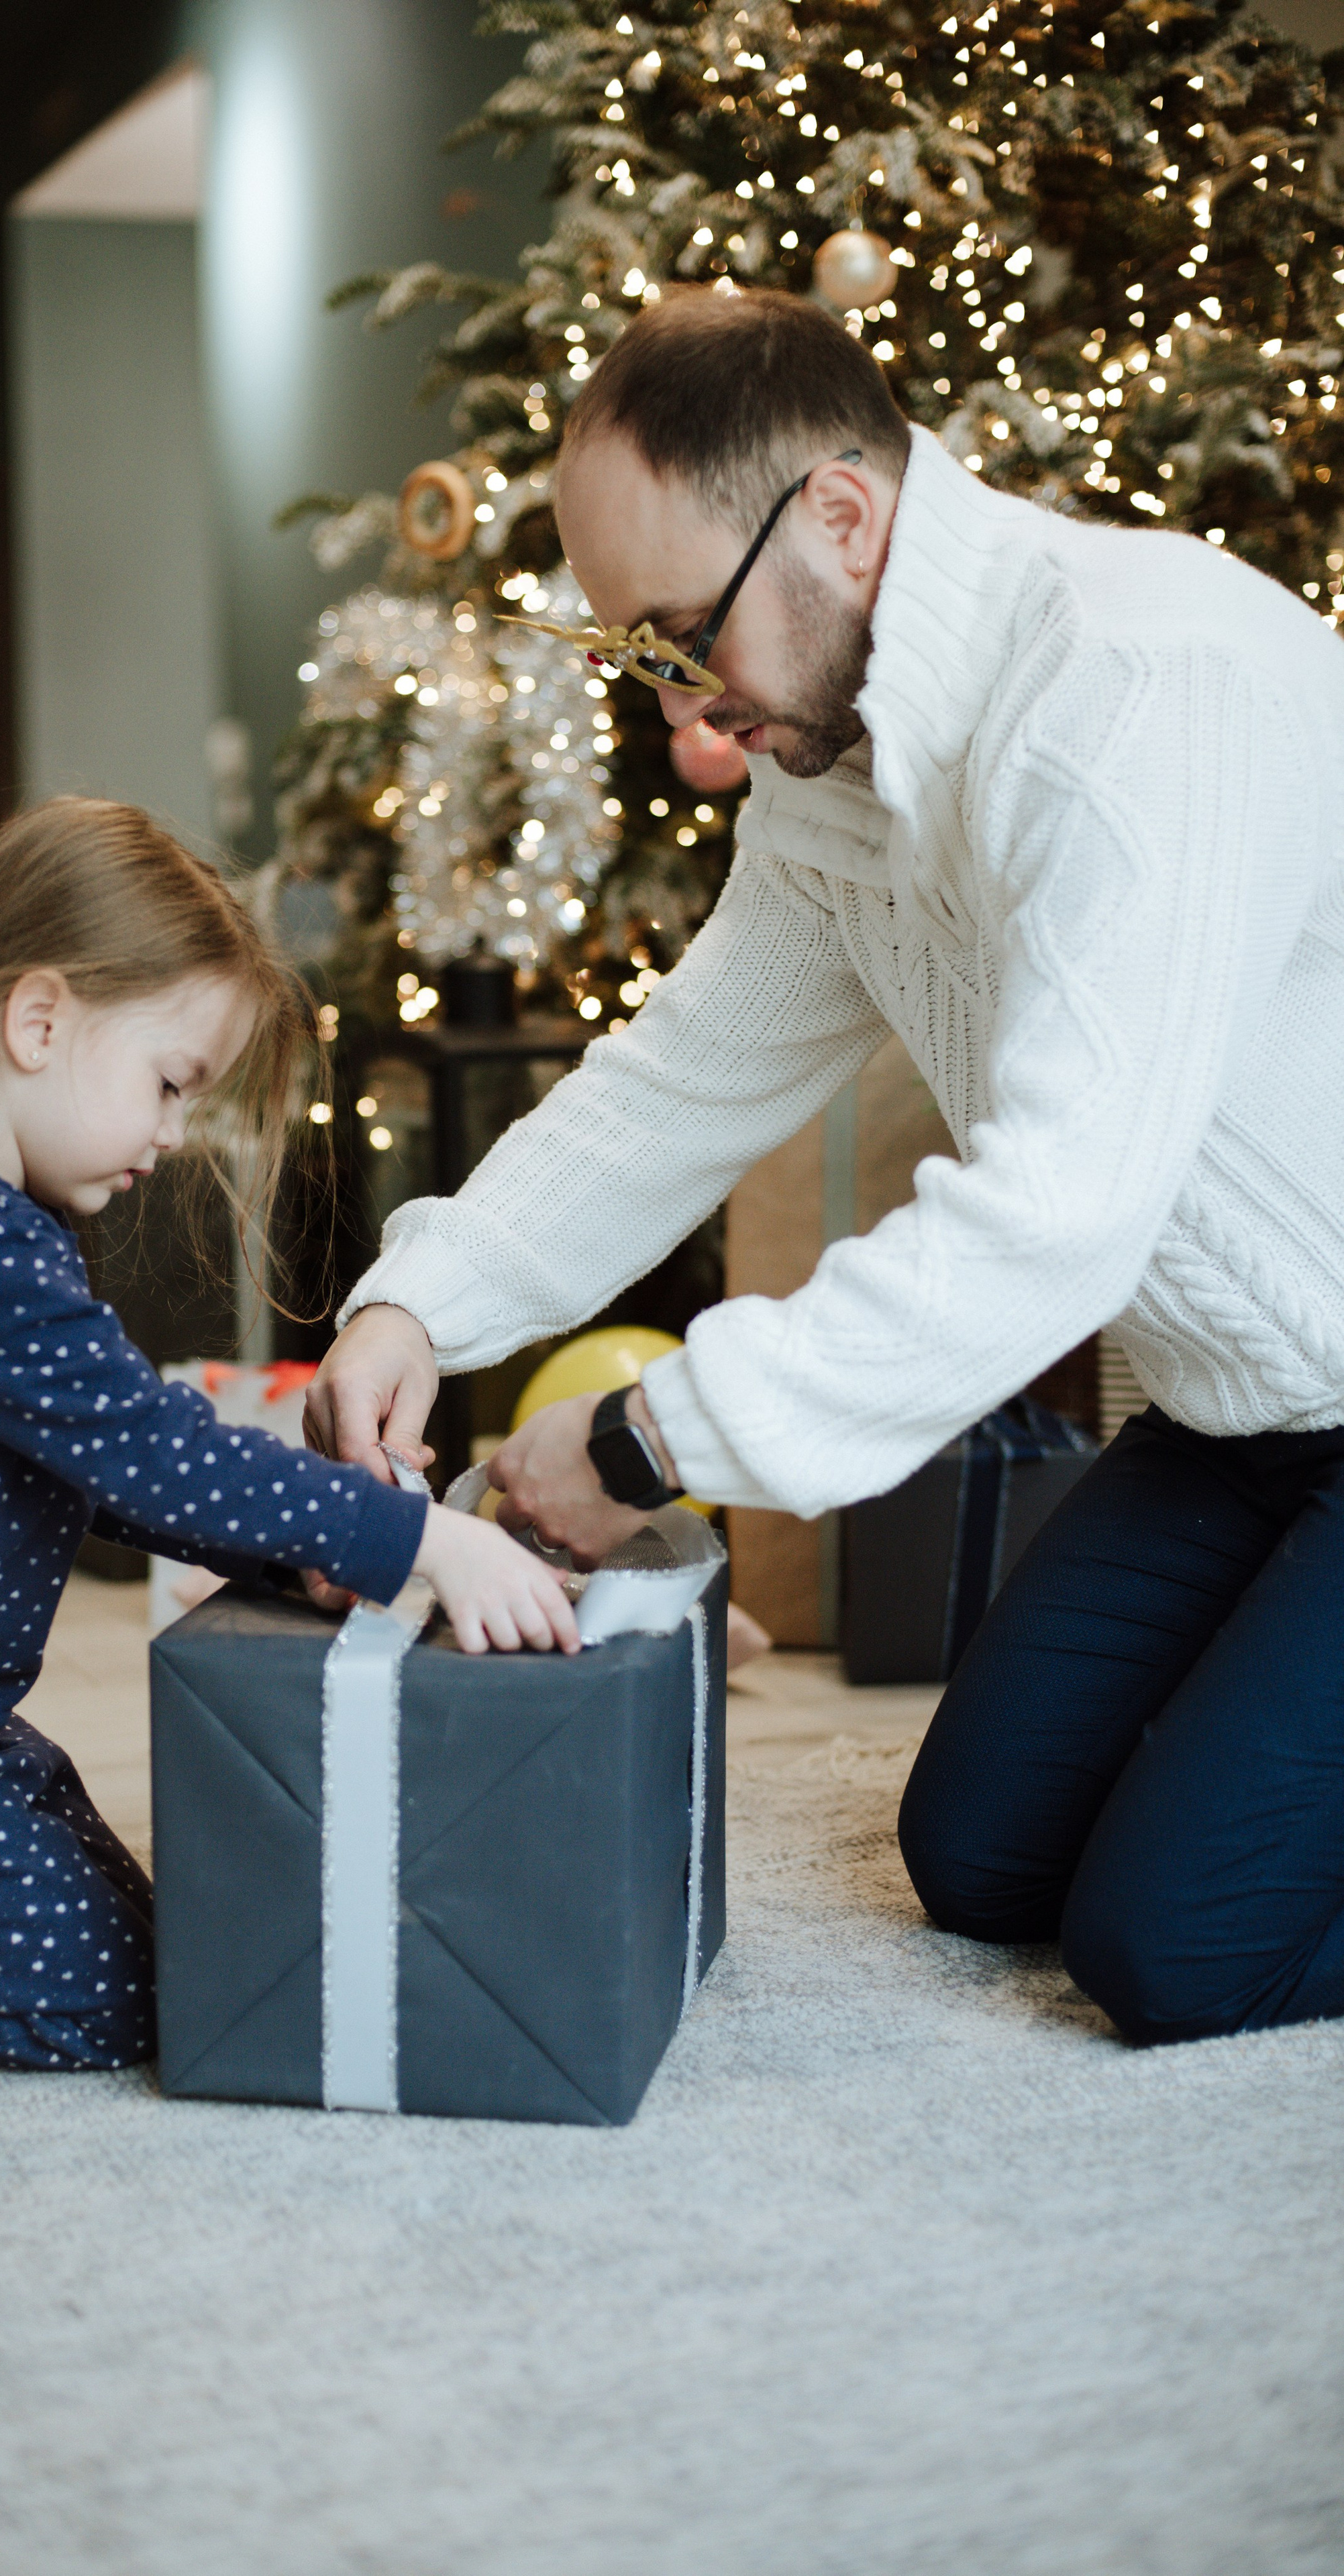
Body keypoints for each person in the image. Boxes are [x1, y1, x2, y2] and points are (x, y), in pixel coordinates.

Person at [305, 287, 1344, 2049]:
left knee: (1177, 1951)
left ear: (845, 522)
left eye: (681, 635)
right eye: (638, 662)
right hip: (1247, 1416)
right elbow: (677, 1086)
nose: (681, 715)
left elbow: (1057, 1222)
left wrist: (644, 1439)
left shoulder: (1133, 694)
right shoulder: (827, 781)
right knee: (983, 1860)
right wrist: (423, 1301)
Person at [0, 800, 578, 2075]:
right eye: (169, 1084)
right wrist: (424, 1543)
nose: (174, 1135)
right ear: (38, 1021)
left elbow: (106, 1462)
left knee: (179, 1947)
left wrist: (293, 1547)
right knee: (114, 2007)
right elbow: (147, 1449)